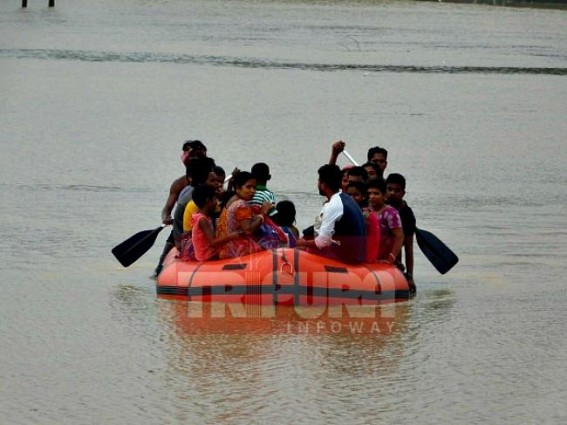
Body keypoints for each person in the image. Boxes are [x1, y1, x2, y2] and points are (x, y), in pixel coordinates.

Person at [154, 140, 207, 277]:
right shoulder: (179, 184)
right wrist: (166, 217)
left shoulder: (211, 180)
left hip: (202, 227)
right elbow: (167, 208)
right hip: (181, 229)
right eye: (193, 156)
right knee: (160, 265)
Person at [296, 164, 367, 264]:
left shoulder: (334, 205)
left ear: (323, 185)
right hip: (355, 253)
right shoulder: (344, 198)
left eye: (318, 181)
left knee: (302, 249)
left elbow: (322, 242)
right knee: (304, 245)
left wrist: (304, 242)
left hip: (348, 258)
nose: (317, 184)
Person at [215, 171, 273, 259]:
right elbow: (248, 230)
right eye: (248, 187)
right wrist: (263, 213)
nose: (253, 191)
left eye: (254, 187)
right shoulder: (241, 204)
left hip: (224, 247)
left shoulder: (233, 199)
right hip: (233, 249)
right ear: (238, 188)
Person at [190, 185, 241, 261]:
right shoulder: (202, 220)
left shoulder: (199, 215)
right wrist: (232, 236)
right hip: (207, 257)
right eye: (215, 199)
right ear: (208, 201)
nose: (217, 203)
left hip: (205, 255)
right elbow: (213, 242)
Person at [386, 173, 416, 291]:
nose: (393, 193)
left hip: (394, 257)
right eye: (390, 189)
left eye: (397, 190)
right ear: (385, 190)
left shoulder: (407, 214)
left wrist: (410, 275)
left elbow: (408, 247)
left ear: (403, 193)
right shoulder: (377, 205)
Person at [366, 178, 403, 265]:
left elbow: (399, 237)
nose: (372, 196)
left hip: (384, 258)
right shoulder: (364, 211)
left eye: (376, 193)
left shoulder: (391, 213)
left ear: (384, 195)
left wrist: (391, 258)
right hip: (367, 257)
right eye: (369, 193)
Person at [345, 181, 381, 262]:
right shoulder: (361, 211)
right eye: (349, 195)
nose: (351, 198)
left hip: (365, 258)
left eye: (356, 195)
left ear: (363, 196)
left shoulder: (365, 215)